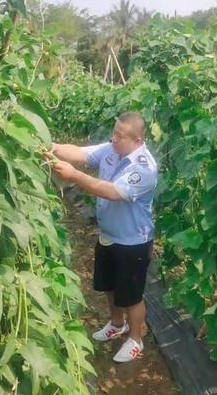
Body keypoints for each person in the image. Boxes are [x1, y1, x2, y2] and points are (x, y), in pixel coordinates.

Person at [49, 112, 158, 363]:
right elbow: (80, 153)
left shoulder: (143, 167)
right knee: (109, 285)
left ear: (137, 140)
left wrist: (74, 175)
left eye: (120, 135)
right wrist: (50, 146)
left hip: (133, 242)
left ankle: (135, 340)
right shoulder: (112, 149)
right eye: (114, 132)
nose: (114, 138)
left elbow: (111, 191)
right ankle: (116, 323)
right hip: (108, 235)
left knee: (131, 295)